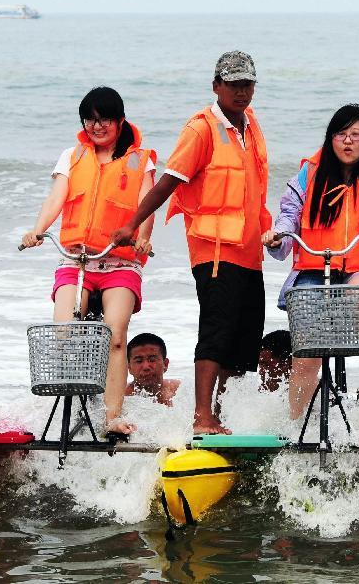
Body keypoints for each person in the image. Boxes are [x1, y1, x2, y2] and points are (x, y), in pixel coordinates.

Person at [113, 51, 272, 434]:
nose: (241, 91)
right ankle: (202, 417)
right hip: (215, 250)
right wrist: (132, 224)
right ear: (216, 86)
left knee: (243, 341)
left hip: (249, 253)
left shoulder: (250, 124)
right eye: (233, 84)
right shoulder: (202, 129)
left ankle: (221, 415)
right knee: (216, 332)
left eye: (247, 83)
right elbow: (170, 180)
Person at [21, 86, 157, 435]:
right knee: (64, 332)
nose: (97, 126)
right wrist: (36, 230)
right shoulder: (72, 156)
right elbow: (57, 197)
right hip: (77, 260)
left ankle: (113, 419)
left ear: (119, 120)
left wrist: (143, 238)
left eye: (105, 119)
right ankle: (78, 397)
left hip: (120, 264)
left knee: (115, 335)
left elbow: (146, 205)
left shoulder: (141, 160)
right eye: (90, 120)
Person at [263, 104, 359, 419]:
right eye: (341, 134)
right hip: (314, 269)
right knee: (305, 360)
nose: (348, 141)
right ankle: (295, 423)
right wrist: (279, 235)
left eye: (356, 135)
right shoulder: (309, 172)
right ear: (330, 138)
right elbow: (289, 216)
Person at [125, 333, 180, 406]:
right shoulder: (121, 397)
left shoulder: (179, 391)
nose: (146, 367)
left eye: (152, 360)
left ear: (165, 364)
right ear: (129, 368)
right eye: (139, 361)